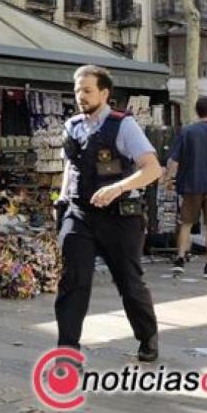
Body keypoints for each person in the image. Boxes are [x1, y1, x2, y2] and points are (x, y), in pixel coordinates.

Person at [53, 65, 163, 362]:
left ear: (104, 92)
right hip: (79, 215)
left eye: (87, 91)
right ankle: (67, 350)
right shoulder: (72, 125)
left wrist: (118, 188)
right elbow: (70, 168)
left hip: (120, 217)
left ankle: (147, 336)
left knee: (129, 281)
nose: (81, 97)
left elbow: (152, 169)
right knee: (73, 281)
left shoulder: (123, 125)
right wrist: (63, 204)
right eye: (77, 91)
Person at [163, 97, 207, 279]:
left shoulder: (187, 131)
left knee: (186, 223)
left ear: (196, 111)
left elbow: (174, 159)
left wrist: (167, 179)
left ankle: (180, 259)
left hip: (191, 183)